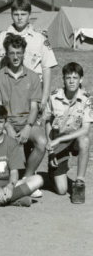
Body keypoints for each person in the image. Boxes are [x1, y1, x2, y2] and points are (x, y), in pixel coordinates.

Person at [0, 34, 47, 196]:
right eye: (12, 53)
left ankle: (27, 178)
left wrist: (28, 127)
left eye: (19, 53)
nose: (16, 57)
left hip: (26, 121)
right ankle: (2, 181)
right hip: (5, 121)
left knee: (42, 141)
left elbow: (34, 107)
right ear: (6, 54)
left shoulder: (33, 77)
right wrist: (8, 127)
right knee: (2, 139)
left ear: (24, 53)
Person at [0, 0, 57, 102]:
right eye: (16, 14)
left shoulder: (40, 39)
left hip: (32, 93)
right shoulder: (1, 38)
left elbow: (46, 69)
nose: (19, 18)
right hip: (7, 92)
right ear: (11, 15)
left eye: (23, 14)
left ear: (29, 15)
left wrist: (44, 98)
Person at [42, 62, 91, 203]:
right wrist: (51, 149)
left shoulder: (87, 99)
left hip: (75, 138)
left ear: (81, 79)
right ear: (63, 79)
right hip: (59, 138)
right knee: (62, 190)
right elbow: (47, 122)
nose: (71, 81)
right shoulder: (53, 97)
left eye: (75, 78)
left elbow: (85, 129)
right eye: (68, 77)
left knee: (85, 140)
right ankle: (52, 175)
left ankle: (79, 181)